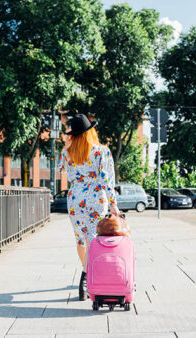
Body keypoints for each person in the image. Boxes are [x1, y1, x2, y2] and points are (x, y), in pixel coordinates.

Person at [58, 114, 120, 301]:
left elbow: (62, 171)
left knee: (81, 239)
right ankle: (88, 277)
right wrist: (113, 205)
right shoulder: (102, 151)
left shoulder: (67, 153)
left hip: (75, 199)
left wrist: (66, 146)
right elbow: (106, 180)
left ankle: (86, 274)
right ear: (90, 131)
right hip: (95, 199)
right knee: (94, 239)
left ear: (74, 135)